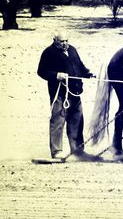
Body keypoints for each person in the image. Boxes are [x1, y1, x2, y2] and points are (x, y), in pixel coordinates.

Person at [37, 31, 96, 160]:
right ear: (54, 40)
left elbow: (79, 66)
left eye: (66, 41)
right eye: (61, 41)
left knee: (77, 121)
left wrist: (88, 74)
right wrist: (56, 75)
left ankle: (77, 150)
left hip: (75, 92)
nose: (64, 44)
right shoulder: (49, 53)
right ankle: (56, 151)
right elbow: (41, 71)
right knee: (58, 121)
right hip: (60, 94)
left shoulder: (73, 50)